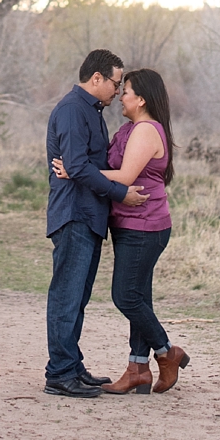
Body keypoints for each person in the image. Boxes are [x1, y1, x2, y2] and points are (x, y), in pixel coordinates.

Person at [53, 67, 186, 396]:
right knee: (139, 296)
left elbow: (125, 176)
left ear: (140, 99)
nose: (120, 97)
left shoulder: (144, 130)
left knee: (125, 295)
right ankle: (137, 369)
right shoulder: (130, 129)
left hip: (145, 224)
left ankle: (167, 352)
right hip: (130, 224)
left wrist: (78, 170)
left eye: (125, 91)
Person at [42, 49, 143, 399]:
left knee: (78, 297)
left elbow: (83, 165)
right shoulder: (72, 110)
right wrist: (121, 194)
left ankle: (71, 366)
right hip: (74, 215)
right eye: (116, 83)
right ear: (96, 78)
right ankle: (58, 373)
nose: (118, 91)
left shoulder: (90, 111)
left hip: (89, 217)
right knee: (66, 297)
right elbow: (78, 166)